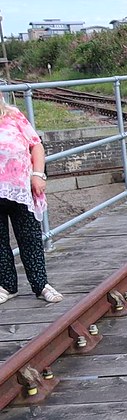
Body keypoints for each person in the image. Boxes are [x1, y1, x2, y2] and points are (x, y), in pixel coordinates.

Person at [0, 101, 63, 305]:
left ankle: (40, 284)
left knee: (30, 238)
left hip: (20, 187)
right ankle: (7, 286)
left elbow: (36, 144)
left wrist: (38, 174)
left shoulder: (13, 115)